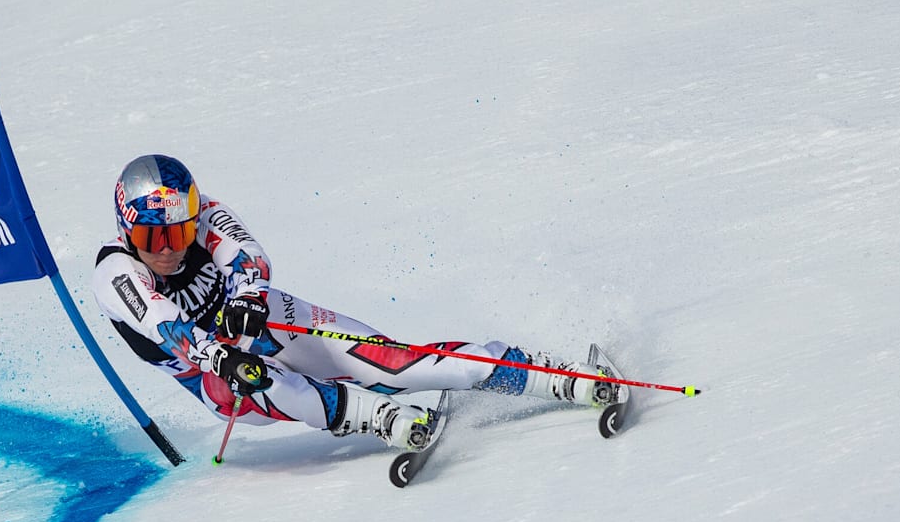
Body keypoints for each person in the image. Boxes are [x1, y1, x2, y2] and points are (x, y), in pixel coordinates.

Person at [92, 155, 613, 451]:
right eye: (153, 237)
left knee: (393, 363)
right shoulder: (116, 272)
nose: (171, 248)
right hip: (211, 374)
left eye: (180, 231)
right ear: (125, 227)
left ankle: (549, 376)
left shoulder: (204, 212)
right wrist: (218, 353)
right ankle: (378, 418)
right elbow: (164, 327)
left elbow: (248, 253)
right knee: (252, 380)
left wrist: (249, 292)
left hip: (265, 320)